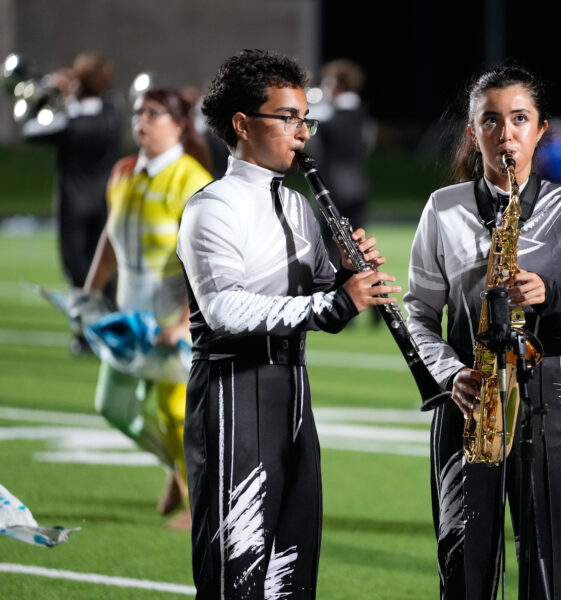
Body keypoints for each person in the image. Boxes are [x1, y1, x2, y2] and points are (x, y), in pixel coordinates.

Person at [177, 49, 400, 598]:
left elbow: (324, 302)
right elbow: (227, 310)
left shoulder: (300, 206)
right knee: (238, 572)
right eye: (288, 118)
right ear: (242, 124)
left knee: (292, 570)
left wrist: (348, 278)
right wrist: (333, 303)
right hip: (233, 391)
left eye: (305, 118)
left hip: (292, 391)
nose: (302, 132)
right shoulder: (213, 207)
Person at [404, 65, 561, 599]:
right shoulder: (443, 209)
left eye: (519, 119)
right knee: (463, 572)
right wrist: (451, 375)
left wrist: (552, 296)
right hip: (467, 398)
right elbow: (420, 316)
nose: (506, 133)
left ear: (540, 129)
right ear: (474, 134)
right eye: (491, 121)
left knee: (550, 571)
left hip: (546, 401)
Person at [80, 87, 213, 528]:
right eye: (138, 111)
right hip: (127, 321)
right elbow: (111, 240)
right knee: (112, 407)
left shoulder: (191, 179)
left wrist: (183, 322)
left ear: (178, 124)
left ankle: (200, 503)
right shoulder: (122, 172)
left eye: (154, 113)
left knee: (176, 412)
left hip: (173, 322)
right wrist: (89, 290)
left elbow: (204, 260)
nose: (142, 119)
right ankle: (175, 471)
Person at [21, 52, 123, 355]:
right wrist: (73, 93)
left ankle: (87, 336)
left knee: (78, 271)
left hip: (73, 206)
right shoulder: (111, 114)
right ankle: (113, 330)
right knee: (105, 270)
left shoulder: (69, 123)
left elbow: (30, 130)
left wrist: (46, 97)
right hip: (106, 202)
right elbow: (101, 103)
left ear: (79, 84)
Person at [308, 59, 376, 265]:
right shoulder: (362, 112)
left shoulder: (330, 113)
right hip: (358, 184)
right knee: (356, 246)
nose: (325, 88)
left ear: (338, 84)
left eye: (328, 84)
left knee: (331, 248)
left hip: (332, 188)